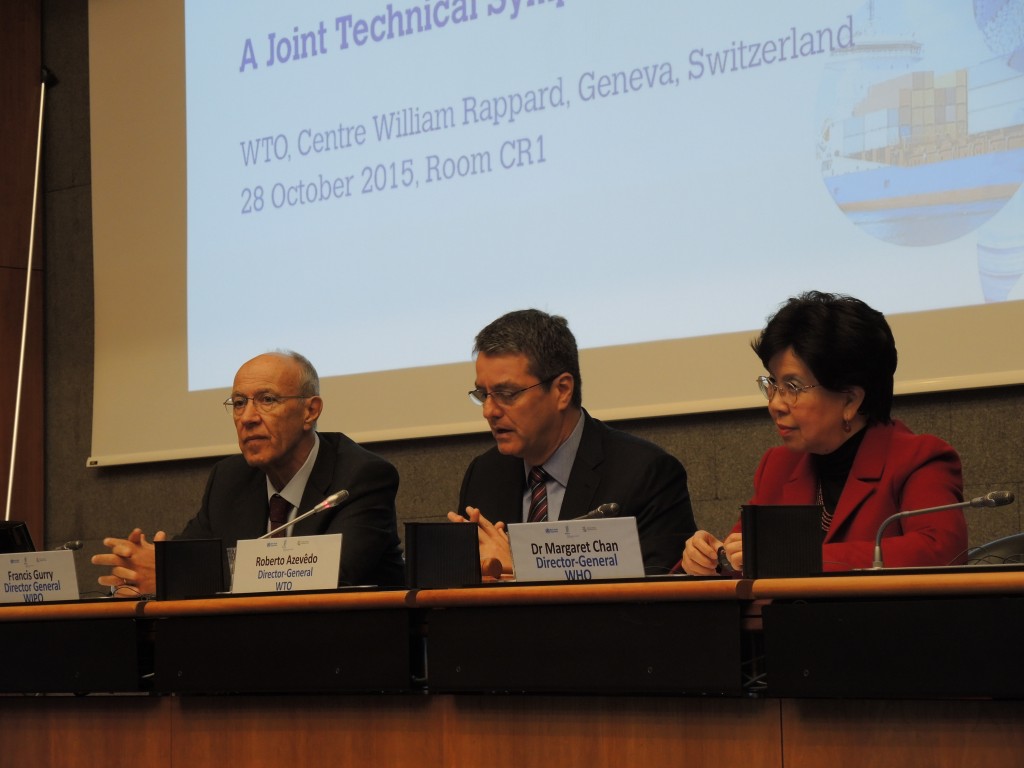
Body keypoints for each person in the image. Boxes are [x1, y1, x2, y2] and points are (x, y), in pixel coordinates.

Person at [680, 291, 967, 575]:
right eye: (773, 383)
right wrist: (712, 559)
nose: (775, 404)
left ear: (850, 400)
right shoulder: (779, 466)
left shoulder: (918, 459)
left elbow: (940, 551)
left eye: (792, 387)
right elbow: (747, 557)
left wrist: (796, 556)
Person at [93, 350, 405, 594]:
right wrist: (140, 571)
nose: (248, 417)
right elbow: (191, 554)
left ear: (310, 411)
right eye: (239, 403)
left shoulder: (362, 477)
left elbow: (331, 575)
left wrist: (174, 575)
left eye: (267, 400)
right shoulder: (230, 479)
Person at [447, 309, 696, 575]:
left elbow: (662, 597)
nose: (489, 411)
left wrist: (522, 566)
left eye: (506, 394)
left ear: (562, 390)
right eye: (483, 395)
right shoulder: (485, 475)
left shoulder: (645, 475)